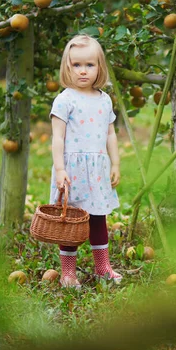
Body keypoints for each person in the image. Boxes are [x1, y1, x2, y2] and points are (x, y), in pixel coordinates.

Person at [48, 34, 122, 288]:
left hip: (98, 171)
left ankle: (103, 268)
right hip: (73, 170)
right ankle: (68, 273)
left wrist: (115, 163)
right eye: (76, 65)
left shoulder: (104, 99)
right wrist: (60, 169)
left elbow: (110, 133)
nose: (82, 71)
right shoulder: (65, 99)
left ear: (100, 66)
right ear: (67, 66)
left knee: (98, 218)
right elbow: (57, 138)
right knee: (71, 220)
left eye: (89, 65)